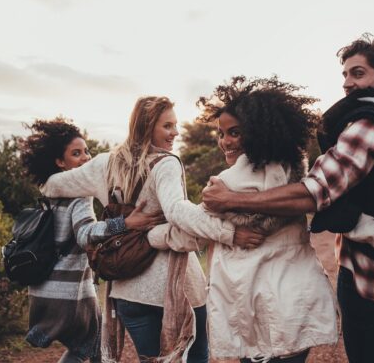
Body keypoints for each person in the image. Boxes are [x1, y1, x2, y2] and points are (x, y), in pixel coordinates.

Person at [202, 35, 374, 363]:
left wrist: (229, 199)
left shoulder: (368, 125)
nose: (347, 83)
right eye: (345, 75)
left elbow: (313, 193)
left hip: (373, 282)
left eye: (357, 74)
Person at [148, 76, 338, 362]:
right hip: (295, 302)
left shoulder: (233, 181)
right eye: (222, 133)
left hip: (258, 309)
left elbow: (187, 224)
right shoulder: (291, 168)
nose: (225, 141)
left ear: (258, 131)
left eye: (234, 132)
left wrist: (149, 233)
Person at [40, 97, 243, 362]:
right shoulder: (166, 163)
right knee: (196, 356)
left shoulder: (105, 164)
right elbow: (177, 212)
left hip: (127, 290)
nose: (176, 132)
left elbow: (50, 186)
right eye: (168, 126)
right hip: (177, 289)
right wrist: (228, 230)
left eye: (176, 125)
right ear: (148, 127)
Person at [19, 117, 163, 363]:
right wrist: (126, 223)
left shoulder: (47, 197)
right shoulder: (79, 197)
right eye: (76, 154)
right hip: (70, 294)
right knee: (93, 344)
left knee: (92, 347)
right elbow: (85, 234)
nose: (86, 158)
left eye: (86, 151)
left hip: (42, 291)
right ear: (60, 162)